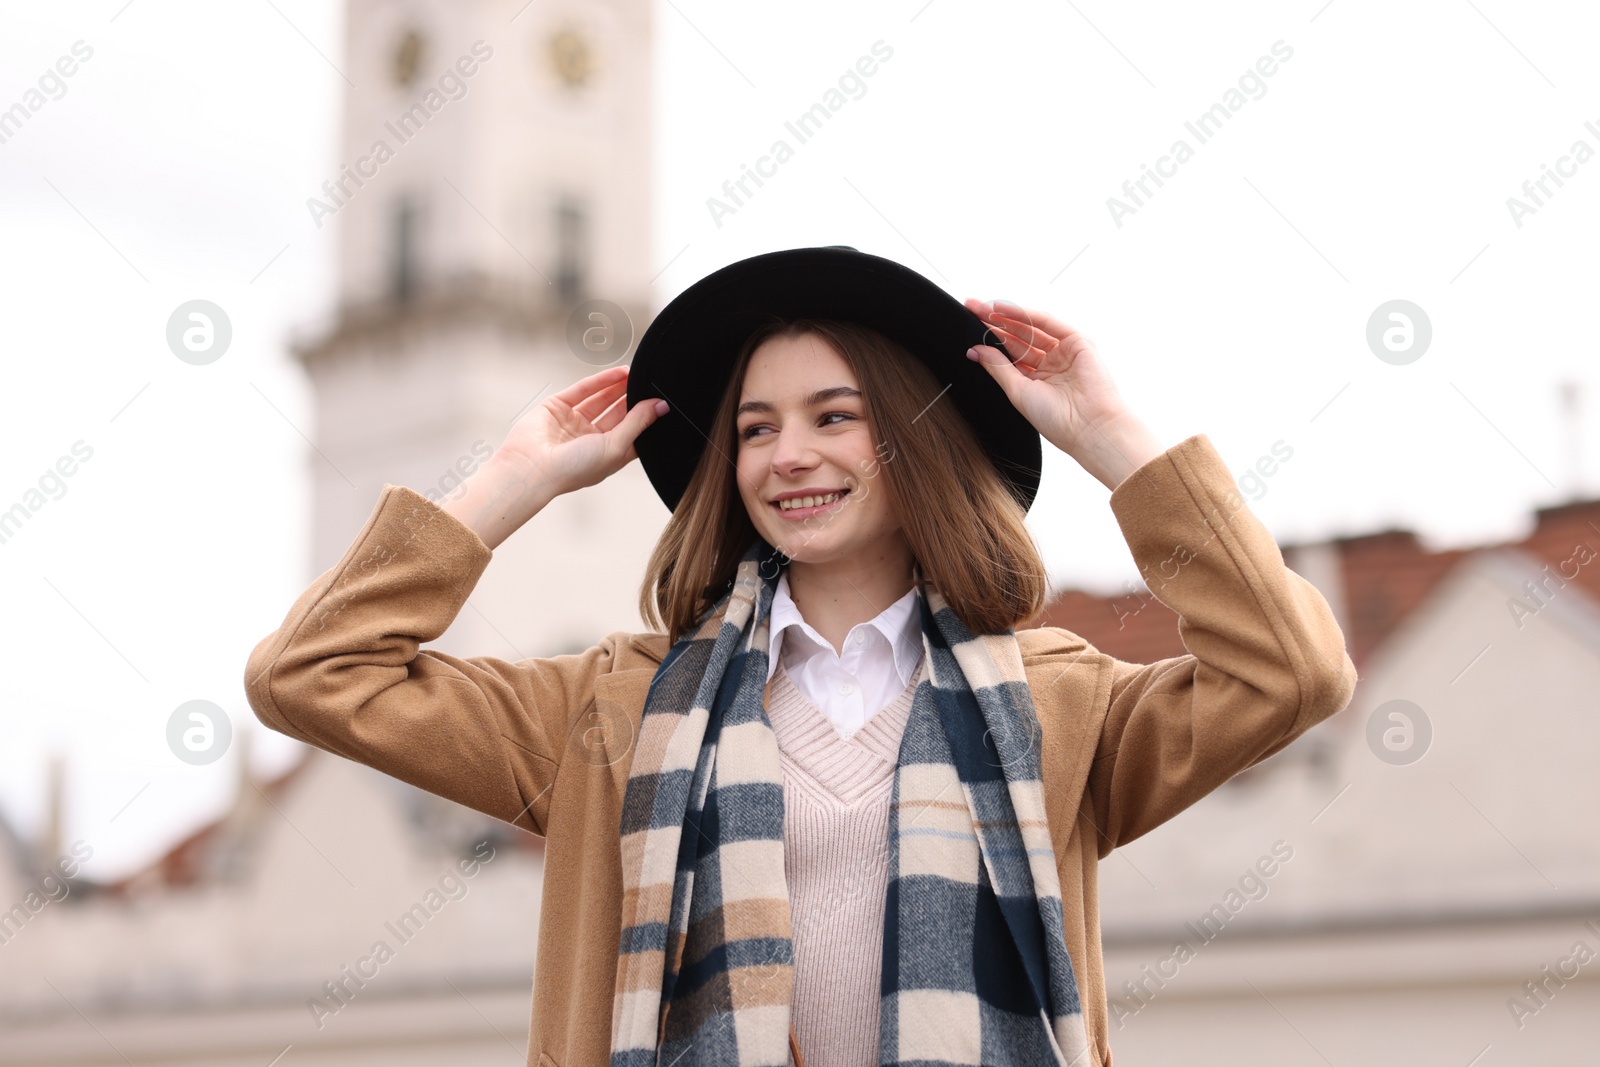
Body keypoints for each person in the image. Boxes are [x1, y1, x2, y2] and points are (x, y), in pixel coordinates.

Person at [244, 246, 1357, 1067]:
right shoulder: (611, 714)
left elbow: (1290, 669)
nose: (791, 456)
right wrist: (507, 485)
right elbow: (310, 672)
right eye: (756, 427)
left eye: (835, 415)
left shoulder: (1056, 705)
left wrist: (1114, 439)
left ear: (912, 440)